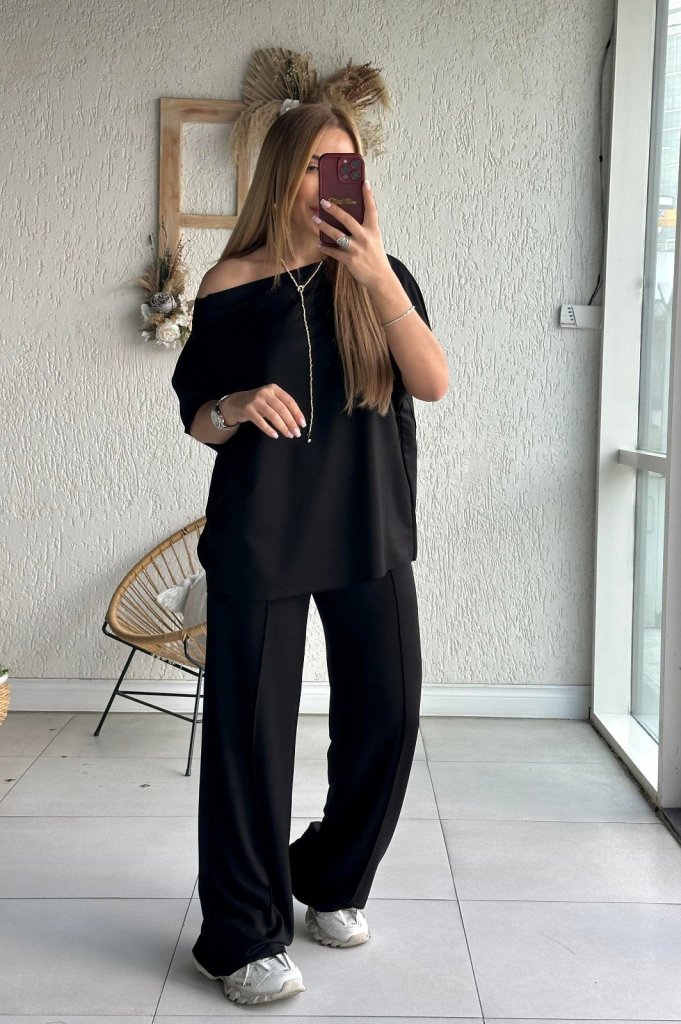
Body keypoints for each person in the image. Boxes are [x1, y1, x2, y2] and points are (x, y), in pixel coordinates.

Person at [171, 99, 449, 1007]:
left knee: (389, 714)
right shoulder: (231, 281)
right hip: (262, 529)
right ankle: (241, 934)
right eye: (316, 167)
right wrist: (238, 403)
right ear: (280, 177)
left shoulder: (381, 277)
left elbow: (432, 382)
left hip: (368, 524)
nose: (334, 183)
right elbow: (199, 417)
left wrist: (374, 272)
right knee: (251, 738)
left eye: (348, 165)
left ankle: (328, 874)